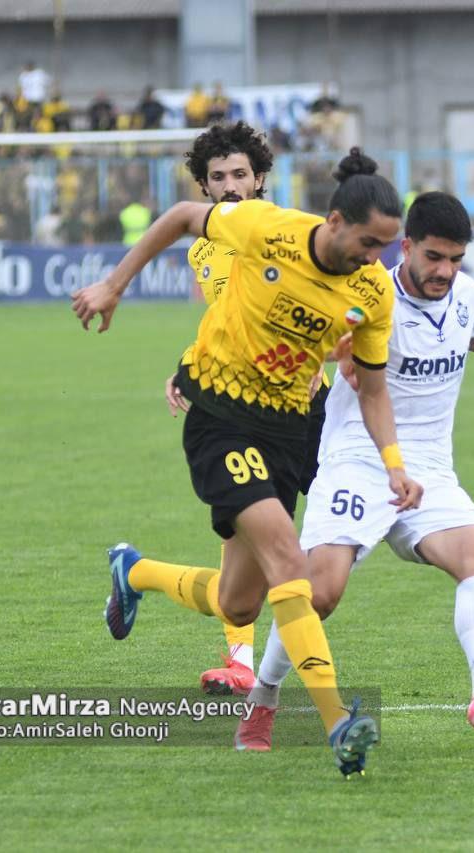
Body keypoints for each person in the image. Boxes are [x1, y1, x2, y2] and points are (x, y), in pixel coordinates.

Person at [70, 148, 420, 778]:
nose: (376, 258)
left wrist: (393, 462)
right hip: (221, 417)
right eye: (369, 243)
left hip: (288, 431)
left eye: (386, 247)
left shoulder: (371, 291)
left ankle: (135, 571)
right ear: (336, 221)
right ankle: (337, 722)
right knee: (290, 559)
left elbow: (372, 390)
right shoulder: (267, 227)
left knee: (239, 605)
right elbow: (182, 216)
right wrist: (113, 285)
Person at [235, 192, 474, 752]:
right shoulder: (367, 297)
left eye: (456, 259)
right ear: (407, 246)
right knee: (319, 594)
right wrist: (334, 356)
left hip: (431, 468)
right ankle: (263, 698)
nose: (445, 271)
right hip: (358, 460)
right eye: (434, 257)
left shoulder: (464, 293)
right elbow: (324, 342)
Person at [157, 121, 290, 696]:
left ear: (259, 178)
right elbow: (226, 318)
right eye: (218, 177)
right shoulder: (204, 249)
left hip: (301, 403)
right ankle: (241, 661)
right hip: (237, 401)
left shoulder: (287, 232)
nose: (231, 185)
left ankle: (137, 572)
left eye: (240, 174)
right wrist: (190, 366)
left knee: (295, 553)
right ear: (205, 187)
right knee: (246, 525)